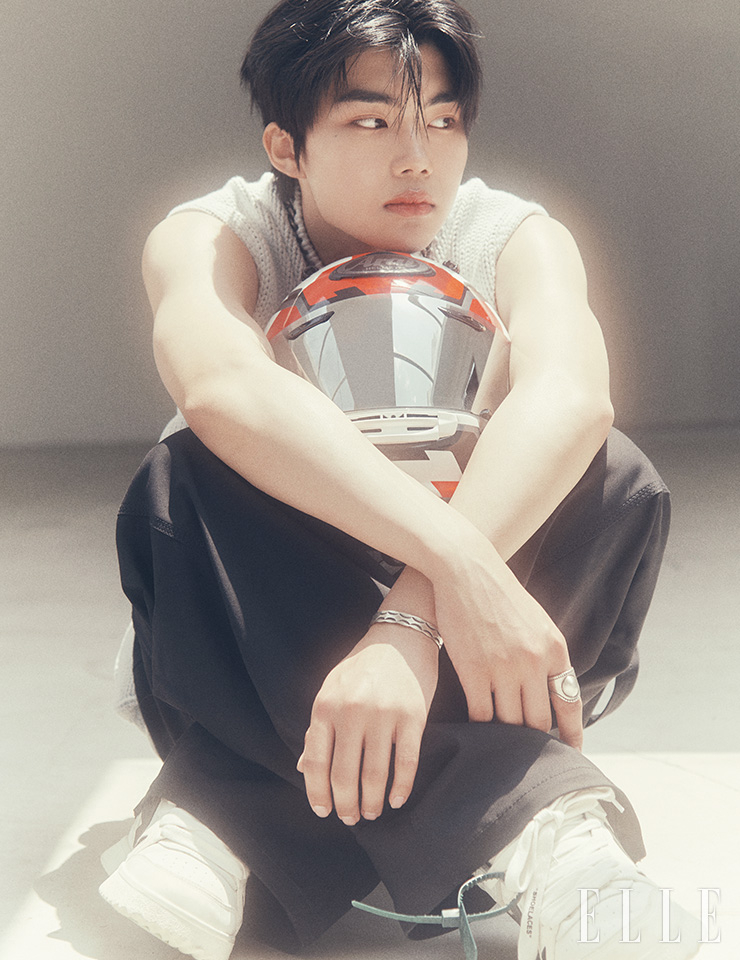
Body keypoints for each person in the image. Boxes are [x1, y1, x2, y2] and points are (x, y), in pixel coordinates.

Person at [99, 2, 702, 959]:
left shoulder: (511, 236)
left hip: (438, 644)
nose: (418, 158)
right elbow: (220, 388)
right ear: (286, 145)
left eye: (444, 120)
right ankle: (537, 820)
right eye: (373, 121)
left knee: (611, 475)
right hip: (261, 628)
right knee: (190, 470)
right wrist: (458, 577)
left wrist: (409, 623)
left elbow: (573, 395)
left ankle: (226, 814)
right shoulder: (215, 236)